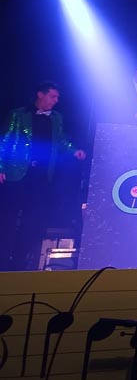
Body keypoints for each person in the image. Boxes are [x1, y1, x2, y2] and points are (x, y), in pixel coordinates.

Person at [0, 82, 86, 271]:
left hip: (42, 175)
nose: (55, 101)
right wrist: (1, 166)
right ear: (40, 94)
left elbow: (61, 139)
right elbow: (5, 140)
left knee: (33, 219)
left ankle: (21, 262)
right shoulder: (18, 114)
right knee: (8, 218)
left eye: (57, 98)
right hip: (18, 172)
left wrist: (73, 150)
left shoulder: (56, 117)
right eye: (52, 96)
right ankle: (3, 260)